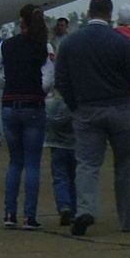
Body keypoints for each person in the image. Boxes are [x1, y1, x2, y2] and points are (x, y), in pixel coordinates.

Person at [53, 0, 130, 236]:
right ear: (110, 14)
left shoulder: (71, 43)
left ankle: (85, 210)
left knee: (87, 164)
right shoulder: (122, 42)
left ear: (88, 12)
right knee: (126, 165)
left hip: (87, 109)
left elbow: (60, 79)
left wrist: (75, 104)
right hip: (120, 107)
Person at [0, 4, 54, 228]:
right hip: (33, 106)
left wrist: (7, 86)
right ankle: (29, 216)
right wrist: (37, 90)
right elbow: (48, 79)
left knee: (15, 162)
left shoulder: (7, 45)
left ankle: (9, 213)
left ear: (21, 21)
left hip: (9, 106)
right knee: (33, 164)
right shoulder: (43, 46)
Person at [46, 88, 77, 227]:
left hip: (57, 145)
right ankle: (76, 209)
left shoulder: (50, 104)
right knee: (76, 179)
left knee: (60, 179)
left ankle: (64, 206)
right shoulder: (76, 104)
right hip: (75, 145)